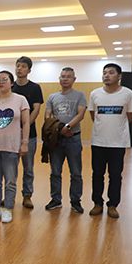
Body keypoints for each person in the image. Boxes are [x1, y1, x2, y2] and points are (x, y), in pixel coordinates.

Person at [0, 71, 30, 223]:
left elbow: (26, 123)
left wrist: (25, 142)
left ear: (11, 83)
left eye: (4, 79)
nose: (1, 82)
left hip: (11, 147)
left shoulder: (20, 100)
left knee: (10, 181)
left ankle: (8, 208)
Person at [88, 63, 132, 219]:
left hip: (118, 143)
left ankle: (113, 205)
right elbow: (93, 115)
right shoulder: (95, 93)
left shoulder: (128, 94)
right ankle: (97, 203)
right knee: (97, 174)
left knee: (115, 175)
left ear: (119, 76)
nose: (106, 75)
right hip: (98, 142)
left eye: (111, 72)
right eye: (104, 73)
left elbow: (130, 116)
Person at [44, 67, 87, 213]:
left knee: (76, 172)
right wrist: (59, 128)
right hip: (56, 140)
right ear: (59, 79)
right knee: (55, 171)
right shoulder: (52, 97)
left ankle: (75, 201)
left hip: (73, 139)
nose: (65, 79)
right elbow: (48, 115)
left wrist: (68, 127)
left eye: (68, 76)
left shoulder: (80, 95)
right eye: (63, 76)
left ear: (74, 79)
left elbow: (81, 114)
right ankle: (56, 200)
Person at [12, 56, 43, 209]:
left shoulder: (34, 88)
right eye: (18, 66)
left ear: (29, 70)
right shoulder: (10, 87)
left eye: (23, 66)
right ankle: (10, 196)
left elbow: (36, 109)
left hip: (29, 135)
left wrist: (24, 127)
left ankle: (27, 195)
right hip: (11, 135)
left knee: (28, 167)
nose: (20, 69)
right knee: (11, 168)